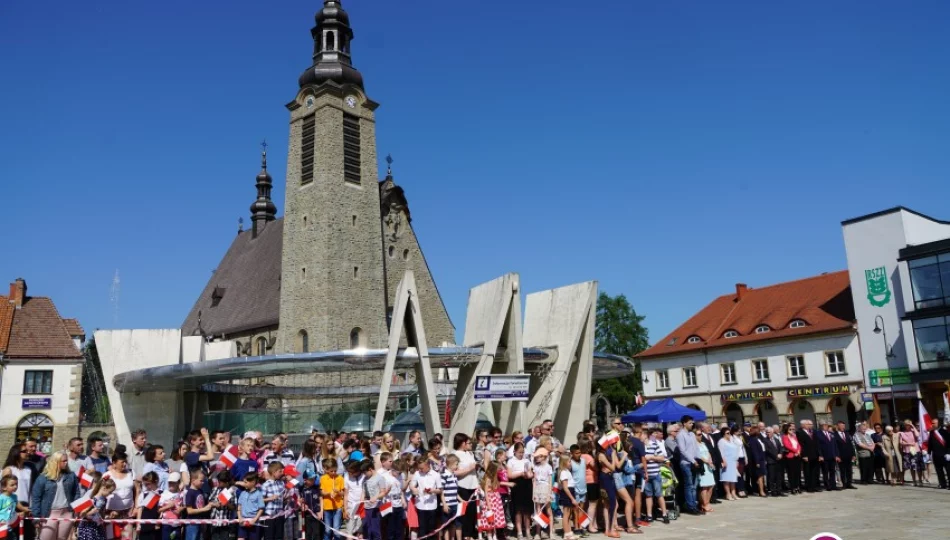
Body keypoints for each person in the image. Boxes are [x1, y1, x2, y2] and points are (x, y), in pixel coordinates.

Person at [30, 452, 81, 540]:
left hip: (67, 512)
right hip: (48, 513)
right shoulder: (43, 478)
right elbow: (36, 498)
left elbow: (76, 493)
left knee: (62, 538)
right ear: (56, 462)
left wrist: (76, 511)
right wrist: (36, 517)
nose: (66, 463)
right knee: (46, 538)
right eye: (63, 461)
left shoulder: (71, 476)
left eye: (66, 461)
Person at [2, 444, 33, 538]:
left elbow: (29, 488)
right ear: (16, 453)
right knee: (12, 535)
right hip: (11, 505)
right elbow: (3, 490)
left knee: (26, 535)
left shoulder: (28, 470)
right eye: (24, 451)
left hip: (25, 505)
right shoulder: (9, 469)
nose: (27, 453)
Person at [451, 434, 478, 540]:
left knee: (472, 511)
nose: (471, 445)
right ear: (463, 443)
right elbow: (454, 472)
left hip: (473, 485)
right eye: (469, 443)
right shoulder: (455, 454)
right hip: (463, 486)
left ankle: (470, 534)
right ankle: (465, 535)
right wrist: (469, 469)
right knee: (464, 512)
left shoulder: (469, 453)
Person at [106, 452, 137, 540]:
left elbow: (137, 491)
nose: (124, 464)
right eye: (122, 462)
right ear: (114, 463)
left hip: (128, 512)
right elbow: (102, 493)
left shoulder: (131, 473)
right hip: (111, 514)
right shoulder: (107, 476)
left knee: (127, 537)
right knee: (113, 537)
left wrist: (136, 507)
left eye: (125, 462)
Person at [411, 457, 443, 540]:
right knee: (422, 528)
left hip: (432, 505)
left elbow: (440, 490)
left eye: (422, 468)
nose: (420, 470)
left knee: (431, 528)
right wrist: (414, 489)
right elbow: (412, 485)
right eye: (419, 468)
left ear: (428, 465)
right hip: (420, 504)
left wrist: (433, 490)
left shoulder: (436, 475)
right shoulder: (417, 474)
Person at [674, 415, 700, 515]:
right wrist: (693, 461)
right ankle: (690, 506)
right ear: (684, 423)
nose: (692, 424)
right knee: (688, 485)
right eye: (690, 423)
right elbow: (683, 451)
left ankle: (694, 504)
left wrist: (698, 459)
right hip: (686, 463)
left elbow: (695, 448)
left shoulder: (692, 435)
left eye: (692, 423)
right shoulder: (681, 435)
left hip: (694, 462)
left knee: (694, 485)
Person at [643, 428, 670, 523]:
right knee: (648, 495)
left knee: (659, 494)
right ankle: (649, 515)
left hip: (655, 473)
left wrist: (651, 457)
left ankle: (664, 514)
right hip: (645, 475)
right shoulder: (641, 446)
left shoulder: (654, 445)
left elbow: (662, 457)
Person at [506, 443, 532, 540]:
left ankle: (528, 531)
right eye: (519, 452)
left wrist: (528, 475)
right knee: (518, 510)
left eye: (523, 452)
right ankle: (519, 532)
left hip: (527, 485)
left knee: (527, 510)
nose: (521, 454)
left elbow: (531, 473)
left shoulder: (527, 460)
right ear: (514, 452)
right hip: (517, 485)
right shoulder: (511, 461)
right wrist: (520, 474)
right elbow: (509, 475)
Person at [76, 475, 114, 540]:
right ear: (104, 488)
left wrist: (105, 517)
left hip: (98, 527)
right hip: (88, 528)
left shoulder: (104, 500)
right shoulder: (92, 499)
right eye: (110, 492)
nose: (110, 494)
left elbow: (102, 514)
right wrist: (91, 512)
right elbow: (82, 514)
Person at [531, 448, 553, 540]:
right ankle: (538, 532)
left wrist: (549, 493)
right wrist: (534, 493)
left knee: (548, 510)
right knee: (538, 511)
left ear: (543, 457)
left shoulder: (549, 467)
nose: (536, 458)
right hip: (538, 489)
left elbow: (550, 481)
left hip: (545, 489)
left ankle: (551, 532)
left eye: (538, 457)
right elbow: (534, 481)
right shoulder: (536, 467)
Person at [320, 458, 345, 540]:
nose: (334, 473)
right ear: (326, 470)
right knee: (327, 529)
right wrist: (328, 493)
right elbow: (322, 492)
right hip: (327, 507)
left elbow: (343, 493)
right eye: (331, 471)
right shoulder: (323, 478)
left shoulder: (340, 478)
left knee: (336, 530)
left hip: (337, 507)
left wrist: (338, 492)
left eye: (335, 470)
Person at [260, 462, 286, 540]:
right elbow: (260, 500)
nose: (282, 473)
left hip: (279, 515)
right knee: (269, 536)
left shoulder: (281, 483)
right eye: (280, 471)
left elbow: (283, 498)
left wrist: (286, 497)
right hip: (269, 516)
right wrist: (270, 498)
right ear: (274, 472)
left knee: (279, 536)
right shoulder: (266, 485)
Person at [555, 455, 578, 540]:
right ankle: (567, 533)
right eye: (569, 461)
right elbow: (565, 487)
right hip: (567, 494)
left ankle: (569, 531)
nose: (570, 463)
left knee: (568, 514)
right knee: (566, 514)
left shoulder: (567, 471)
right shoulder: (564, 472)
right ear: (564, 463)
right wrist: (572, 499)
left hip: (570, 492)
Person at [135, 472, 162, 540]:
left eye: (148, 484)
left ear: (155, 481)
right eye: (145, 484)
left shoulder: (162, 493)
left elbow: (162, 511)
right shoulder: (143, 494)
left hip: (156, 526)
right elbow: (140, 509)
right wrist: (138, 524)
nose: (146, 486)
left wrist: (158, 522)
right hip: (144, 525)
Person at [237, 473, 265, 540]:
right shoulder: (242, 493)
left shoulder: (259, 494)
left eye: (245, 482)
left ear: (253, 482)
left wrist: (254, 520)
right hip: (243, 522)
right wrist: (240, 517)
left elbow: (261, 509)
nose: (244, 484)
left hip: (254, 523)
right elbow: (239, 507)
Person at [694, 428, 715, 513]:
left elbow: (708, 452)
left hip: (709, 465)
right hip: (703, 466)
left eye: (701, 434)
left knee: (711, 485)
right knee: (704, 486)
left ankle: (707, 502)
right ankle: (703, 504)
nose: (700, 436)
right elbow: (698, 456)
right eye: (698, 434)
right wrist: (706, 461)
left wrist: (710, 460)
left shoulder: (703, 443)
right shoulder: (695, 445)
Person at [440, 455, 461, 540]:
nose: (457, 466)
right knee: (446, 525)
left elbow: (455, 491)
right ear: (451, 464)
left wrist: (461, 500)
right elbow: (441, 491)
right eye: (456, 464)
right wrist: (444, 504)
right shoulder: (444, 475)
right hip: (447, 505)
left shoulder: (454, 476)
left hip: (454, 504)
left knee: (454, 524)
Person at [159, 472, 183, 540]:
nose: (171, 484)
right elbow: (158, 509)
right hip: (166, 525)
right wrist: (168, 506)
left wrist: (181, 509)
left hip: (177, 525)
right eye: (170, 482)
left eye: (173, 482)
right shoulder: (164, 494)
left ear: (178, 482)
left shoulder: (182, 494)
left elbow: (185, 505)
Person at [927, 418, 950, 489]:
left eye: (934, 423)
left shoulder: (944, 431)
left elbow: (949, 443)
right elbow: (930, 444)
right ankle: (942, 484)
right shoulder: (931, 432)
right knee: (939, 471)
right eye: (932, 423)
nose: (933, 424)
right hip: (936, 455)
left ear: (938, 424)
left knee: (948, 471)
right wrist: (929, 453)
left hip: (944, 454)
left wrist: (948, 453)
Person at [300, 470, 323, 540]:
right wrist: (301, 504)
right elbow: (299, 501)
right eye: (311, 479)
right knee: (308, 533)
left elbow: (321, 499)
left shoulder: (316, 488)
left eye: (314, 479)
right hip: (307, 515)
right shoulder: (302, 489)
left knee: (317, 533)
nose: (313, 480)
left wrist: (321, 512)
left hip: (316, 514)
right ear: (305, 480)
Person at [898, 420, 923, 486]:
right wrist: (908, 443)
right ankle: (914, 481)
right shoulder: (902, 433)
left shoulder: (913, 431)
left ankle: (920, 480)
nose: (907, 426)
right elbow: (901, 442)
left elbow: (917, 435)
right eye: (906, 425)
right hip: (907, 451)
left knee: (917, 466)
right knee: (912, 467)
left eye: (908, 424)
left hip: (915, 450)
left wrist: (913, 426)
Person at [797, 421, 819, 493]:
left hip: (814, 455)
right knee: (807, 472)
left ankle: (814, 486)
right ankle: (809, 487)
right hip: (806, 456)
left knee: (814, 471)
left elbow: (816, 443)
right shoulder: (799, 432)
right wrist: (804, 455)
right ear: (803, 425)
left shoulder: (812, 432)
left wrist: (818, 454)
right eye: (807, 424)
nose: (809, 425)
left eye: (809, 424)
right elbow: (801, 445)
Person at [716, 429, 738, 500]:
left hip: (733, 461)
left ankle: (733, 493)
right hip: (726, 461)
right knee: (726, 479)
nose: (729, 434)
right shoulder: (721, 441)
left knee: (733, 478)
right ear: (723, 434)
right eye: (727, 433)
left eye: (729, 433)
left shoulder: (731, 441)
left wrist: (736, 460)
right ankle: (728, 494)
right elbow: (721, 452)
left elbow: (735, 450)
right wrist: (723, 461)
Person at [816, 422, 839, 491]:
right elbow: (818, 446)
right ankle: (827, 485)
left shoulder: (831, 434)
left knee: (832, 471)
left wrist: (837, 455)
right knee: (825, 472)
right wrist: (820, 455)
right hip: (824, 456)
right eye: (824, 425)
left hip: (832, 456)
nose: (826, 426)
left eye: (827, 425)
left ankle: (833, 485)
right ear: (821, 426)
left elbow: (835, 446)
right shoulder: (818, 434)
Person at [833, 421, 856, 489]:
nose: (843, 427)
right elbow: (835, 446)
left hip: (848, 455)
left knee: (849, 470)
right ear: (838, 426)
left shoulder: (847, 433)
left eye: (844, 426)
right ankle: (844, 484)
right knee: (842, 470)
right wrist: (837, 456)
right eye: (841, 426)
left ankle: (849, 483)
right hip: (841, 455)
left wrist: (853, 454)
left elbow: (850, 445)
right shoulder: (834, 435)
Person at [781, 424, 801, 495]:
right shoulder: (785, 437)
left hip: (797, 456)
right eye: (790, 429)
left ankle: (797, 486)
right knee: (791, 473)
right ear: (787, 430)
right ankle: (792, 487)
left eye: (792, 429)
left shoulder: (794, 436)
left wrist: (798, 451)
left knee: (797, 472)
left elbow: (798, 444)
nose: (792, 431)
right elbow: (787, 446)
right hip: (790, 457)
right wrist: (795, 451)